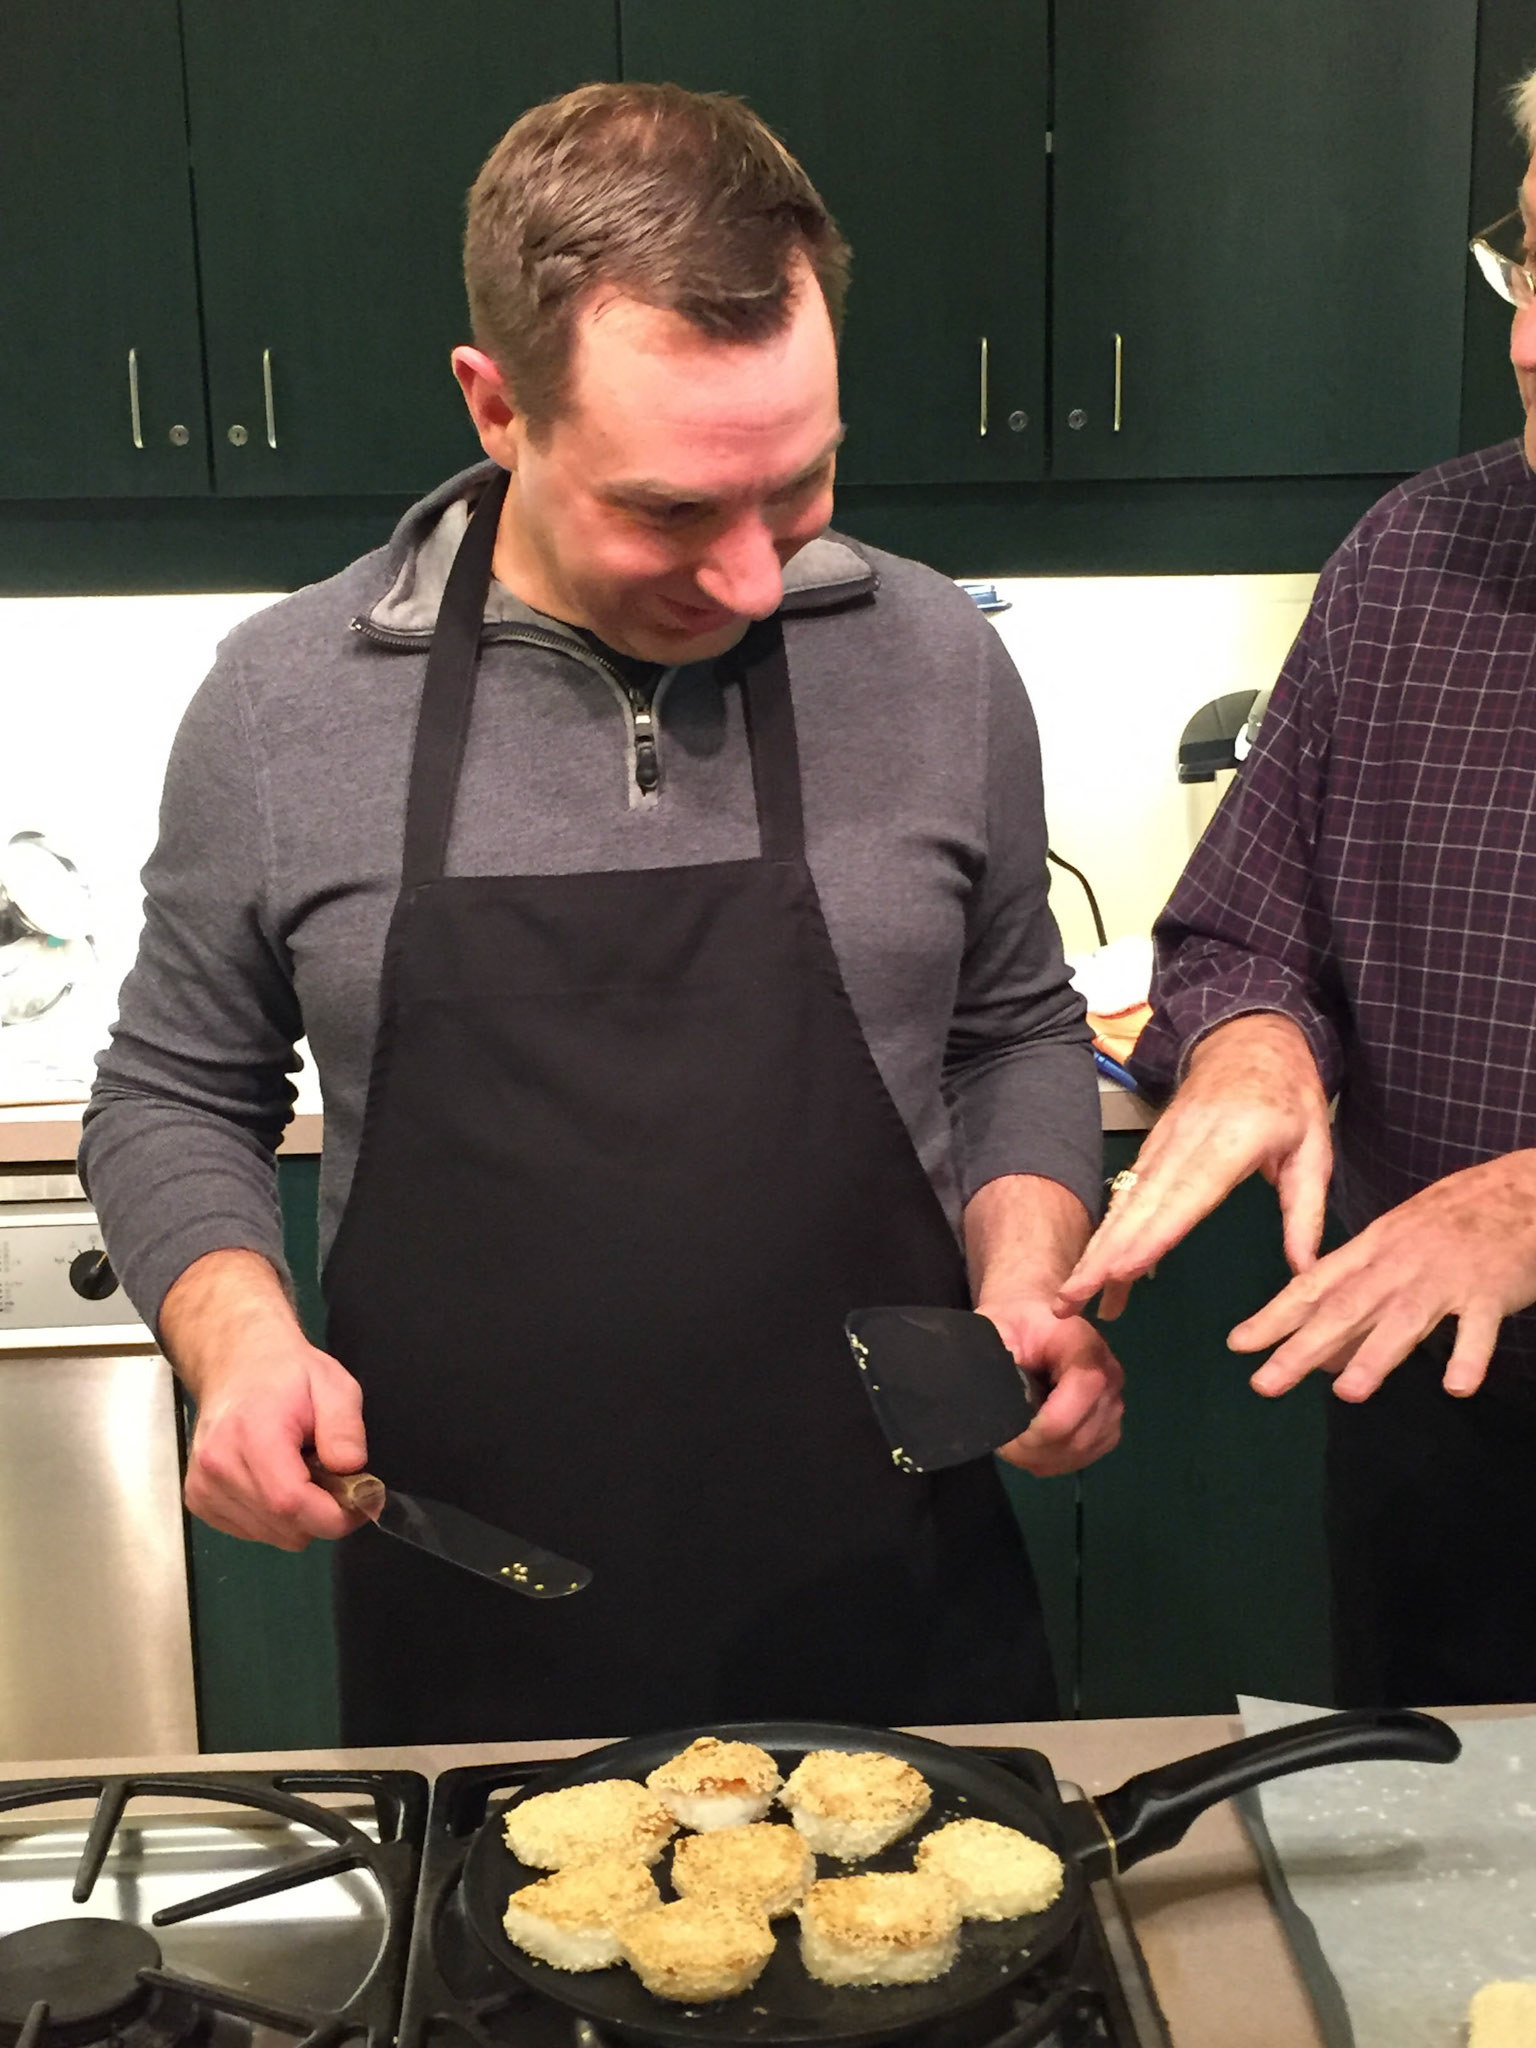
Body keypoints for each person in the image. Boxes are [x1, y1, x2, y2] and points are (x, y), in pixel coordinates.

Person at [82, 83, 1122, 1743]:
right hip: (476, 1613)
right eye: (671, 509)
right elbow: (174, 1089)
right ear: (496, 407)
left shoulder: (937, 660)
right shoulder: (284, 703)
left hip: (900, 1608)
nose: (756, 576)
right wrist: (235, 1339)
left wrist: (1030, 1281)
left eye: (803, 482)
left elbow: (1012, 1032)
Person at [1055, 69, 1536, 1712]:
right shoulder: (1413, 564)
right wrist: (1255, 1041)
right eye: (1532, 259)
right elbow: (1244, 926)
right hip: (1436, 1431)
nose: (1529, 344)